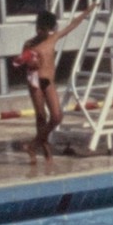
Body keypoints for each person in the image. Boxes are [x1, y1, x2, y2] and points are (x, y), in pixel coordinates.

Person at [18, 9, 88, 157]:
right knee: (41, 116)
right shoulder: (29, 44)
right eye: (38, 28)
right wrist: (30, 63)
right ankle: (44, 148)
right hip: (35, 81)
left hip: (48, 82)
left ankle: (34, 143)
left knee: (56, 116)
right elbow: (20, 63)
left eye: (43, 29)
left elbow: (73, 25)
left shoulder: (52, 39)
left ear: (49, 29)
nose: (39, 31)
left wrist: (87, 11)